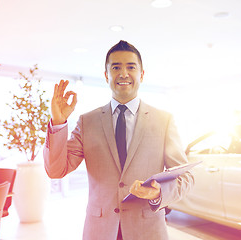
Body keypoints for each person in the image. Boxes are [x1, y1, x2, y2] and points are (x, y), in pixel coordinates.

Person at [43, 40, 194, 240]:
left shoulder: (163, 121)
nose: (123, 74)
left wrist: (158, 194)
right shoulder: (87, 122)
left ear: (141, 74)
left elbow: (185, 178)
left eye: (131, 67)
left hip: (147, 231)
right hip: (100, 231)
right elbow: (55, 170)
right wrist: (59, 121)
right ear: (106, 75)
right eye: (116, 68)